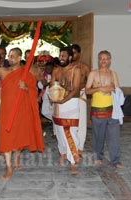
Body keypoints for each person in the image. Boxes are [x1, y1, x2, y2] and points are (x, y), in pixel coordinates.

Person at [0, 47, 44, 180]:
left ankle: (17, 158)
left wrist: (26, 88)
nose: (10, 58)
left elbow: (34, 90)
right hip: (7, 111)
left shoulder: (27, 73)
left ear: (19, 58)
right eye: (9, 55)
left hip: (21, 110)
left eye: (13, 56)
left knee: (19, 136)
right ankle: (8, 167)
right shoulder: (3, 71)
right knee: (6, 137)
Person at [85, 50, 124, 169]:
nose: (103, 61)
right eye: (101, 58)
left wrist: (111, 88)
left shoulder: (113, 74)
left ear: (110, 60)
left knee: (114, 137)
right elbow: (87, 90)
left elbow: (118, 90)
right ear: (98, 60)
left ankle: (115, 160)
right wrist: (99, 88)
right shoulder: (93, 73)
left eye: (106, 58)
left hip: (113, 110)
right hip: (98, 110)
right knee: (98, 136)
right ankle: (97, 157)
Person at [50, 46, 81, 175]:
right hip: (58, 105)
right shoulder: (56, 70)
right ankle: (63, 153)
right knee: (59, 132)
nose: (61, 58)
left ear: (70, 57)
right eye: (60, 55)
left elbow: (75, 89)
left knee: (70, 132)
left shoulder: (76, 70)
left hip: (71, 103)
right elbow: (52, 85)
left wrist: (64, 100)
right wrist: (53, 97)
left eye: (64, 56)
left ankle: (73, 161)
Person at [71, 44, 91, 158]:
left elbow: (91, 82)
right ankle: (72, 144)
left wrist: (79, 86)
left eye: (74, 53)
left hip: (81, 95)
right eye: (71, 53)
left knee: (81, 121)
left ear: (79, 53)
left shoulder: (85, 67)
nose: (73, 55)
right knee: (70, 120)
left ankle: (80, 147)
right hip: (69, 95)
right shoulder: (67, 67)